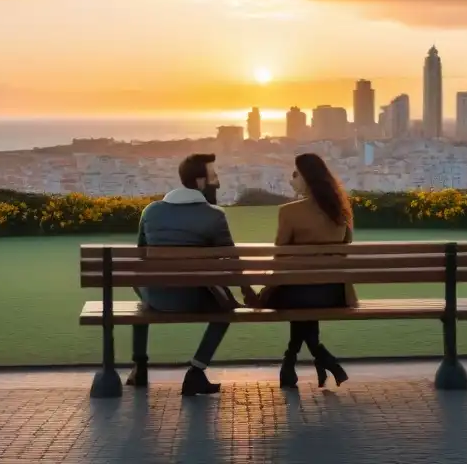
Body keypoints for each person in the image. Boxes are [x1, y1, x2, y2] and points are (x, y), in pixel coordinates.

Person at [128, 153, 257, 396]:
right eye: (214, 177)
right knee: (227, 309)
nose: (218, 182)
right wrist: (246, 290)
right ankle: (196, 371)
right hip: (193, 298)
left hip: (155, 296)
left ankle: (140, 366)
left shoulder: (151, 211)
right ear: (200, 182)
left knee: (140, 299)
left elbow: (141, 256)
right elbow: (231, 260)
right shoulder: (214, 216)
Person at [259, 153, 355, 389]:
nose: (292, 179)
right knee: (306, 302)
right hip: (334, 293)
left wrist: (267, 289)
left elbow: (279, 258)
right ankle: (313, 361)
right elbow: (344, 250)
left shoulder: (289, 212)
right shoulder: (341, 210)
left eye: (295, 174)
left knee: (299, 297)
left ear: (306, 179)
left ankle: (297, 363)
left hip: (299, 292)